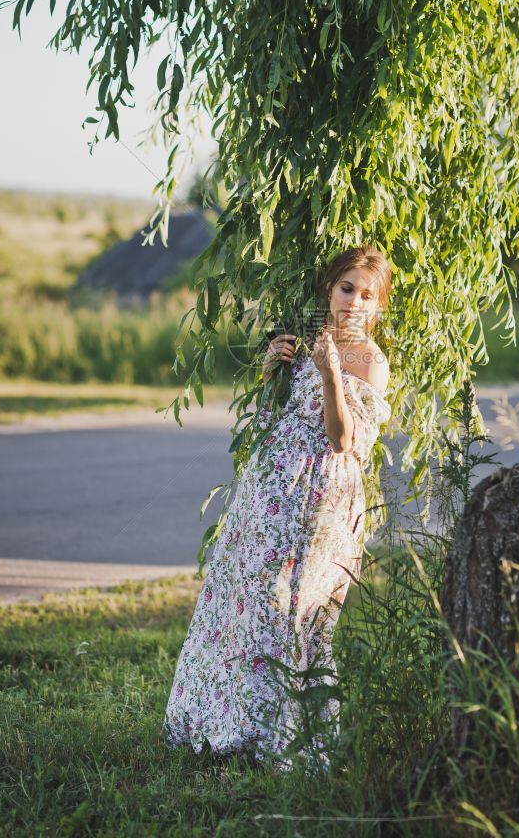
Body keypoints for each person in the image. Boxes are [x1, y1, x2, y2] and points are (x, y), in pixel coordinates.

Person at [162, 245, 393, 771]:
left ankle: (289, 742)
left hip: (319, 499)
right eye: (346, 288)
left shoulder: (370, 362)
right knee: (243, 601)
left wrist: (332, 372)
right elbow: (284, 422)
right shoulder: (318, 341)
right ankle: (229, 726)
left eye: (367, 294)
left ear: (378, 306)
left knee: (292, 611)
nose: (354, 302)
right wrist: (273, 373)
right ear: (329, 290)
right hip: (270, 495)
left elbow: (342, 438)